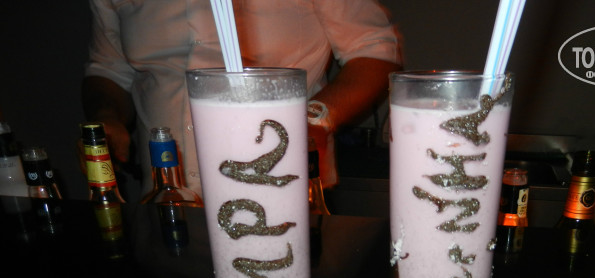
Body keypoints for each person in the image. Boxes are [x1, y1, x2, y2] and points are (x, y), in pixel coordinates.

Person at [82, 0, 403, 200]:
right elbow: (108, 69)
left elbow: (374, 51)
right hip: (165, 197)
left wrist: (314, 118)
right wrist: (108, 117)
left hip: (288, 192)